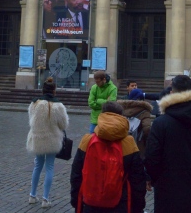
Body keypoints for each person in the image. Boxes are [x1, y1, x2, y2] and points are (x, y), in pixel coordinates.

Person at [144, 75, 191, 213]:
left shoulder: (161, 123)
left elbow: (152, 157)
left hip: (167, 189)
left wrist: (154, 177)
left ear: (172, 92)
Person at [70, 101, 146, 213]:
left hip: (90, 203)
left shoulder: (87, 140)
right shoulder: (129, 143)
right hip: (120, 203)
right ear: (121, 117)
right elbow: (137, 179)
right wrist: (138, 206)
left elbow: (76, 175)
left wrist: (76, 201)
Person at [27, 77, 69, 209]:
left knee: (37, 166)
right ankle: (45, 198)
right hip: (52, 139)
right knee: (50, 167)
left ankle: (32, 196)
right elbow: (64, 124)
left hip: (38, 138)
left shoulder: (34, 103)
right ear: (54, 90)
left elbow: (31, 120)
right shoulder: (58, 105)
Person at [119, 88, 154, 158]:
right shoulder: (144, 111)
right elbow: (147, 128)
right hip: (138, 144)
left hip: (122, 143)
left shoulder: (121, 109)